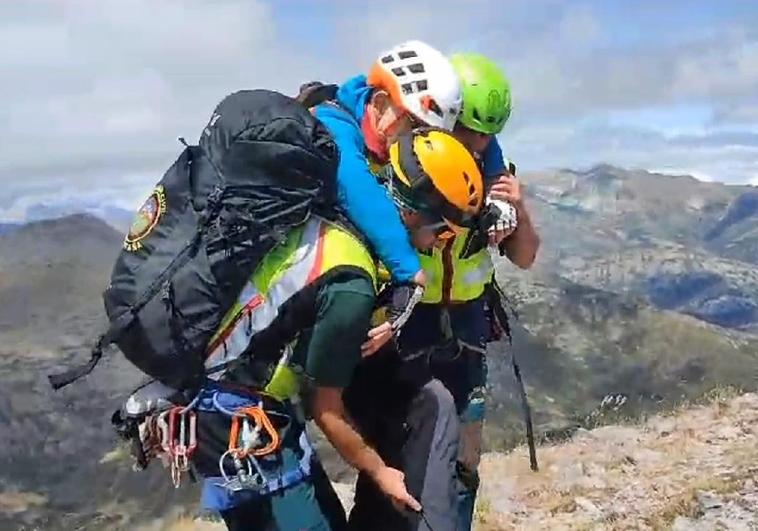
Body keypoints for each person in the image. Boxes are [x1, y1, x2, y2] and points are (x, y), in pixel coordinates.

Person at [122, 127, 486, 531]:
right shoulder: (352, 279)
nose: (440, 245)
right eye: (445, 231)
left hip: (239, 415)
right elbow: (325, 409)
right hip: (235, 426)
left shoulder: (329, 222)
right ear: (412, 210)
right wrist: (381, 473)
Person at [401, 53, 541, 530]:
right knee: (407, 454)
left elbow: (523, 256)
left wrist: (518, 209)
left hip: (467, 322)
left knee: (465, 458)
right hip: (411, 321)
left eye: (488, 134)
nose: (479, 143)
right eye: (471, 130)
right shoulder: (410, 171)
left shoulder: (491, 171)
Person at [313, 39, 462, 296]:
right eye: (413, 125)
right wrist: (410, 271)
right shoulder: (331, 126)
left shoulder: (371, 141)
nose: (415, 142)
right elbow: (355, 185)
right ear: (380, 104)